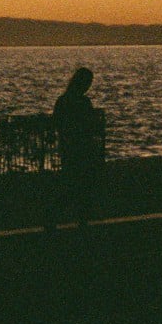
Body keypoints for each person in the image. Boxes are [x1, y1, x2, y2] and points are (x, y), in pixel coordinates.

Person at [50, 67, 107, 229]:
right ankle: (70, 217)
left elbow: (57, 123)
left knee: (76, 185)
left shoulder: (63, 100)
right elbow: (89, 125)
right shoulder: (83, 102)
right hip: (81, 148)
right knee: (80, 186)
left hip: (69, 148)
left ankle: (61, 216)